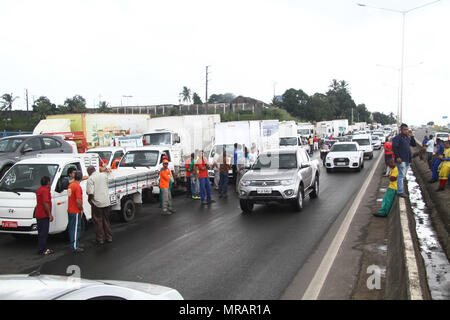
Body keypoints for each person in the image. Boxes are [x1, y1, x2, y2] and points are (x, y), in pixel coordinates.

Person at [86, 165, 112, 245]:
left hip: (97, 203)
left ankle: (100, 239)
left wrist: (89, 200)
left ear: (89, 171)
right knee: (106, 220)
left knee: (98, 221)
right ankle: (109, 237)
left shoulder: (90, 179)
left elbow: (90, 193)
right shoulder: (103, 175)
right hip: (106, 201)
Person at [392, 123, 416, 198]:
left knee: (403, 175)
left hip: (407, 159)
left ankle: (400, 189)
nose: (406, 131)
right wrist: (398, 157)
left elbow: (414, 144)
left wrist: (412, 136)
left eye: (407, 129)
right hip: (401, 159)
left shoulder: (407, 138)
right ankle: (400, 191)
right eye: (405, 130)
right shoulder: (397, 138)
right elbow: (394, 147)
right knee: (401, 175)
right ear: (401, 130)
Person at [35, 176, 54, 255]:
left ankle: (41, 248)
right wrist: (49, 214)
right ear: (48, 182)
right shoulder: (45, 190)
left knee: (40, 233)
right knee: (44, 233)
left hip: (38, 213)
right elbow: (45, 203)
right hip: (43, 214)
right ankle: (42, 250)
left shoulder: (39, 189)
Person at [67, 171, 84, 253]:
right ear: (81, 178)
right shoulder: (77, 187)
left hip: (70, 209)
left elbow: (70, 197)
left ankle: (73, 244)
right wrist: (81, 209)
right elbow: (78, 200)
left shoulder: (70, 186)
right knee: (76, 229)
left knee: (72, 228)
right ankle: (74, 246)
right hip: (75, 210)